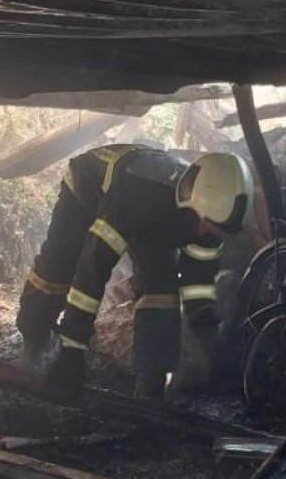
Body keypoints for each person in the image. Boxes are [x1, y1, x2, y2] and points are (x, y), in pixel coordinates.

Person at [16, 144, 253, 400]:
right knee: (58, 266)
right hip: (87, 190)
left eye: (215, 230)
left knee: (161, 291)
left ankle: (151, 379)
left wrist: (204, 321)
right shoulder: (136, 197)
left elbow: (198, 279)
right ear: (191, 201)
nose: (207, 234)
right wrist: (72, 348)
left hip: (158, 214)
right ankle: (34, 337)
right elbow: (91, 272)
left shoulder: (212, 213)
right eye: (205, 225)